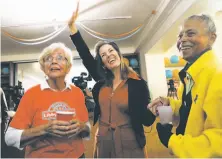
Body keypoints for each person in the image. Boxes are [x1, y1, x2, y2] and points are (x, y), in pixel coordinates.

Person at [68, 10, 156, 158]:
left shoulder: (138, 83)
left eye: (111, 51)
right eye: (103, 55)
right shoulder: (101, 82)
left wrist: (154, 111)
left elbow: (146, 120)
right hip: (104, 141)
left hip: (130, 142)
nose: (108, 55)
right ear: (102, 63)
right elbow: (85, 55)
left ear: (119, 54)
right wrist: (72, 28)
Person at [148, 14, 222, 158]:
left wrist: (172, 141)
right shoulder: (190, 76)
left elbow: (218, 144)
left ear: (212, 38)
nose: (182, 39)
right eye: (180, 35)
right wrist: (169, 105)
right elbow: (189, 111)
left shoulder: (218, 76)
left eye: (191, 33)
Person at [5, 43, 90, 158]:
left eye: (60, 57)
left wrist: (82, 127)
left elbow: (86, 129)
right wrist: (45, 130)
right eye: (48, 59)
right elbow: (10, 138)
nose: (54, 61)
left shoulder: (77, 93)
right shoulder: (31, 94)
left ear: (68, 67)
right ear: (43, 68)